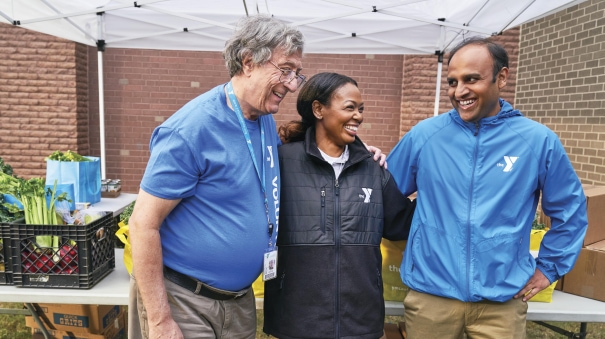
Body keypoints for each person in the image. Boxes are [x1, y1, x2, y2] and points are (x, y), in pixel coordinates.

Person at [127, 16, 385, 339]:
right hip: (186, 301)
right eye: (286, 70)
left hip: (239, 302)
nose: (293, 85)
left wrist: (359, 152)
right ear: (248, 62)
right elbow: (142, 224)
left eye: (296, 73)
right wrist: (161, 321)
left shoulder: (262, 119)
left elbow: (303, 149)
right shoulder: (191, 130)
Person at [386, 37, 588, 339]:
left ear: (501, 77)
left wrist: (549, 268)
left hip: (502, 304)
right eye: (453, 82)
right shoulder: (425, 136)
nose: (459, 91)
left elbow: (570, 210)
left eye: (472, 79)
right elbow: (380, 195)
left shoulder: (537, 141)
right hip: (431, 300)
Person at [263, 72, 416, 339]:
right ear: (318, 109)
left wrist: (441, 186)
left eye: (361, 109)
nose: (358, 116)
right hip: (296, 321)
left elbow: (402, 224)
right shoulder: (281, 164)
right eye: (350, 108)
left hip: (361, 322)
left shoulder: (373, 169)